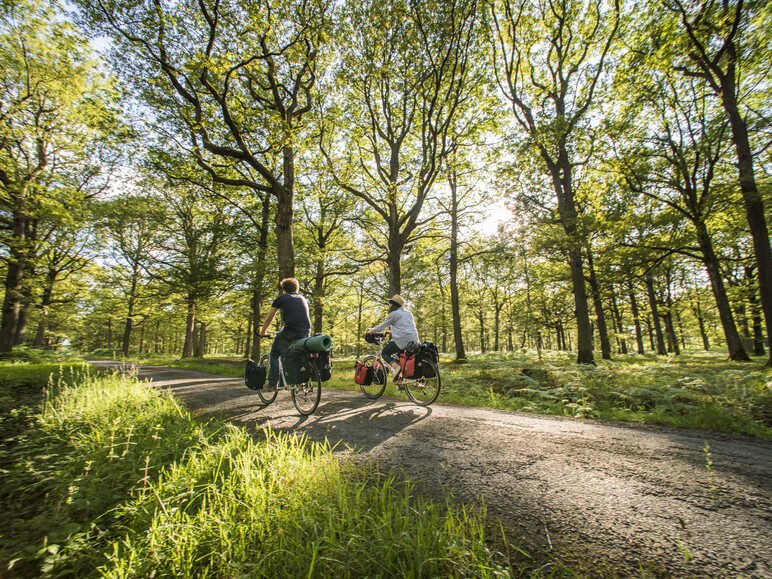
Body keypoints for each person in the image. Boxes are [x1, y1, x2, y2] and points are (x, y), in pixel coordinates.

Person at [259, 277, 311, 390]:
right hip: (306, 332)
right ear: (296, 289)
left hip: (290, 331)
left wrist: (262, 332)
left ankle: (272, 384)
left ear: (283, 290)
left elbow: (269, 318)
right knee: (292, 355)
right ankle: (297, 381)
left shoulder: (281, 298)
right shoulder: (303, 298)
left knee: (274, 353)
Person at [366, 294, 419, 375]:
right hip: (414, 340)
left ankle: (398, 369)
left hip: (402, 341)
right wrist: (391, 332)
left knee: (385, 353)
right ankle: (403, 376)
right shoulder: (409, 313)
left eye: (390, 302)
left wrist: (370, 331)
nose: (389, 304)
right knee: (400, 357)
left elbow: (381, 327)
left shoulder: (393, 314)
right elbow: (405, 327)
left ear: (394, 304)